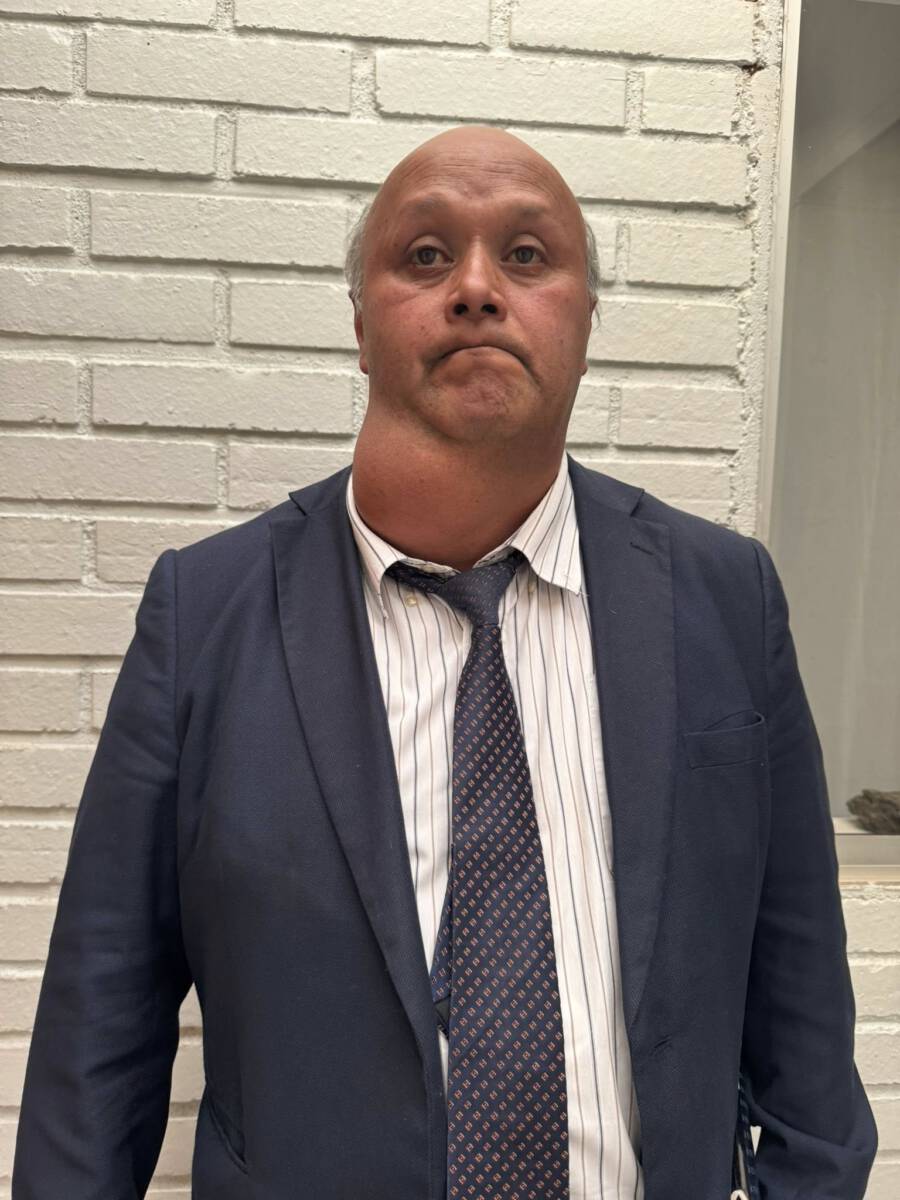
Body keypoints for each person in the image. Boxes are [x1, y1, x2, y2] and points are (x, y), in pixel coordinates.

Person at [12, 125, 877, 1200]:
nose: (475, 288)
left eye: (527, 255)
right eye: (425, 255)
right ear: (361, 327)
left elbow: (802, 1009)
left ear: (587, 320)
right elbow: (100, 1029)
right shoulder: (206, 614)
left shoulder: (724, 599)